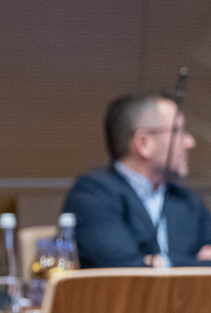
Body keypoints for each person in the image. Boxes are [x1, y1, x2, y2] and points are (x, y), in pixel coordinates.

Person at [62, 91, 211, 268]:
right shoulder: (92, 194)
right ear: (144, 143)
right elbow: (123, 269)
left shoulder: (188, 201)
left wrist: (155, 262)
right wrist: (193, 262)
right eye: (177, 131)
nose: (190, 142)